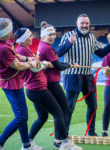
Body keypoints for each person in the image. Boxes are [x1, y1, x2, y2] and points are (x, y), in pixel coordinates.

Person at [15, 27, 82, 150]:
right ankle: (64, 143)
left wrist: (43, 64)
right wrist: (69, 65)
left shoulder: (25, 49)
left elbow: (36, 64)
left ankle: (27, 144)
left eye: (53, 34)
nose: (32, 37)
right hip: (38, 88)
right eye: (29, 36)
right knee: (59, 113)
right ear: (24, 39)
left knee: (43, 117)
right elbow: (41, 66)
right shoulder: (25, 50)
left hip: (34, 88)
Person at [56, 14, 110, 136]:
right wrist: (69, 43)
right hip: (72, 75)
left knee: (93, 106)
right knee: (69, 107)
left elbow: (100, 53)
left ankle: (91, 132)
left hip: (87, 76)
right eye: (82, 23)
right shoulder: (68, 36)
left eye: (86, 23)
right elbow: (57, 53)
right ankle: (63, 135)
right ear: (77, 23)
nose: (84, 25)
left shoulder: (92, 37)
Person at [0, 18, 39, 150]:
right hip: (12, 84)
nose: (12, 33)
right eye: (10, 31)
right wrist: (31, 63)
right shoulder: (2, 48)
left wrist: (28, 58)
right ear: (5, 33)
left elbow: (14, 55)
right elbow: (18, 66)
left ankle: (26, 144)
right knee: (22, 116)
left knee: (20, 115)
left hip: (8, 82)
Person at [37, 21, 79, 149]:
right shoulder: (47, 47)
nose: (53, 37)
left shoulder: (42, 45)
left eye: (54, 34)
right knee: (64, 110)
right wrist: (70, 65)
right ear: (43, 36)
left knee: (57, 112)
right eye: (50, 34)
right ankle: (61, 141)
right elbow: (59, 66)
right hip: (52, 82)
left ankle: (58, 140)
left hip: (49, 81)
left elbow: (56, 62)